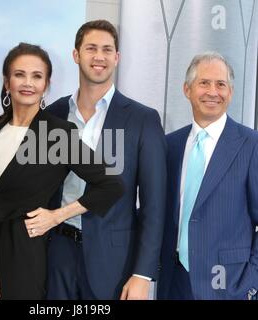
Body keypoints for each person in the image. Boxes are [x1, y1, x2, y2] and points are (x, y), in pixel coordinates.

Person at [0, 42, 124, 300]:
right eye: (19, 75)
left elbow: (111, 185)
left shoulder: (57, 134)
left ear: (46, 85)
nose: (28, 83)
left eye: (37, 76)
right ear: (7, 82)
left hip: (22, 253)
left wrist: (57, 216)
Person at [45, 20, 167, 300]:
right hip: (57, 254)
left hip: (113, 262)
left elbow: (154, 205)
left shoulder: (142, 119)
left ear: (116, 57)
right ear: (76, 55)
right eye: (91, 48)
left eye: (106, 49)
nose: (99, 56)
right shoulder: (53, 114)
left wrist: (142, 274)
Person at [157, 52, 258, 300]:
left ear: (230, 92)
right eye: (204, 83)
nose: (213, 92)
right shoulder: (170, 145)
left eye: (221, 84)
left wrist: (250, 280)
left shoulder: (251, 144)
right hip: (174, 282)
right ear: (187, 89)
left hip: (229, 285)